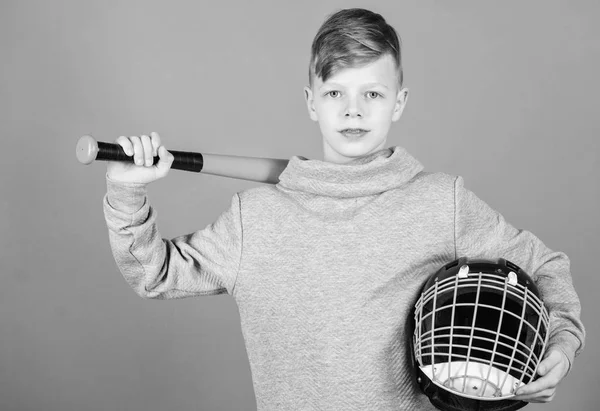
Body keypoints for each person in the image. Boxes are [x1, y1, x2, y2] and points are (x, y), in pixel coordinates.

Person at [102, 7, 585, 410]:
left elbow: (544, 264)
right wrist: (127, 192)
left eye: (372, 94)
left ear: (399, 102)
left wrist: (562, 342)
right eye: (335, 93)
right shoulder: (257, 219)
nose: (353, 110)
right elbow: (156, 274)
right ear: (312, 102)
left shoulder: (440, 203)